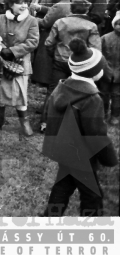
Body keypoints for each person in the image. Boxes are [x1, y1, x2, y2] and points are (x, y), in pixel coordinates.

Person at [41, 39, 117, 216]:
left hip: (64, 150)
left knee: (64, 185)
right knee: (92, 195)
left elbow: (50, 116)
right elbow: (95, 133)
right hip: (82, 154)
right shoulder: (91, 98)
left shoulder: (61, 87)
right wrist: (109, 157)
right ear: (95, 72)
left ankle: (49, 218)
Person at [0, 0, 39, 136]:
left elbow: (33, 42)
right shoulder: (0, 18)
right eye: (19, 3)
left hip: (20, 63)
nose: (23, 6)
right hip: (1, 60)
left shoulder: (32, 20)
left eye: (25, 2)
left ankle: (24, 123)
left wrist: (13, 51)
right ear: (11, 5)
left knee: (20, 94)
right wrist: (2, 49)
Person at [31, 0, 74, 87]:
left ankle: (41, 79)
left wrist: (32, 19)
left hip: (49, 33)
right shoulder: (66, 3)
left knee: (44, 57)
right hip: (60, 34)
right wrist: (42, 8)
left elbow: (46, 23)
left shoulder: (59, 5)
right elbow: (53, 11)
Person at [100, 14, 120, 125]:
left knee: (117, 95)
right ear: (114, 24)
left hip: (119, 72)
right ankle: (103, 114)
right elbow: (99, 52)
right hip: (106, 70)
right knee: (103, 93)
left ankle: (115, 115)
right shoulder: (105, 38)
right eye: (118, 24)